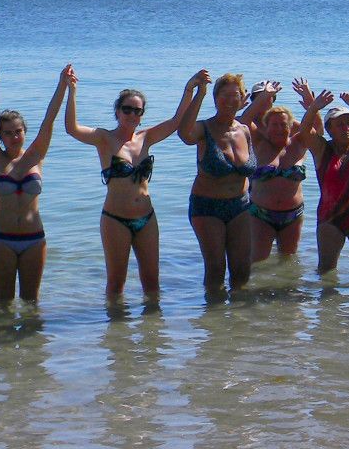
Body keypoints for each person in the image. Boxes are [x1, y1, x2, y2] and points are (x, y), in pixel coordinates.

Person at [65, 68, 206, 296]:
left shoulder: (146, 138)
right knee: (116, 284)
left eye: (137, 111)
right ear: (117, 112)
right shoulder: (104, 138)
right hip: (115, 220)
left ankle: (153, 330)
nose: (132, 115)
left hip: (147, 219)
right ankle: (116, 331)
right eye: (127, 109)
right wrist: (71, 91)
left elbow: (176, 121)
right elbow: (72, 128)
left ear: (142, 115)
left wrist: (190, 88)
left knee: (152, 283)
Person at [0, 65, 70, 302]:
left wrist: (62, 84)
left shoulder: (35, 156)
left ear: (25, 132)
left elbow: (49, 120)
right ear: (0, 136)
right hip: (1, 238)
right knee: (4, 303)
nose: (14, 136)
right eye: (8, 133)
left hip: (34, 238)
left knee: (31, 304)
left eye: (18, 131)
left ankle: (31, 341)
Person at [178, 73, 268, 290]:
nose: (229, 100)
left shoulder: (244, 130)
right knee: (216, 267)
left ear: (242, 97)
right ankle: (213, 320)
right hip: (207, 206)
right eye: (224, 95)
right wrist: (198, 93)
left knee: (241, 269)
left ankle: (238, 320)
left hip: (241, 206)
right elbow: (184, 133)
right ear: (215, 98)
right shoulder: (204, 128)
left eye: (234, 95)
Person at [295, 82, 349, 275]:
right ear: (329, 129)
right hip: (329, 218)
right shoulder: (321, 149)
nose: (345, 128)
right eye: (339, 124)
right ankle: (327, 306)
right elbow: (303, 130)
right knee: (326, 272)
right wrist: (314, 107)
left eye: (348, 123)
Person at [241, 79, 329, 263]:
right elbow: (243, 121)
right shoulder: (257, 140)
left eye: (283, 125)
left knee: (289, 263)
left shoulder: (297, 142)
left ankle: (287, 291)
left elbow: (317, 131)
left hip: (293, 214)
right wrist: (264, 96)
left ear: (290, 127)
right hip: (260, 212)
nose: (279, 128)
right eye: (275, 125)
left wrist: (310, 102)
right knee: (257, 262)